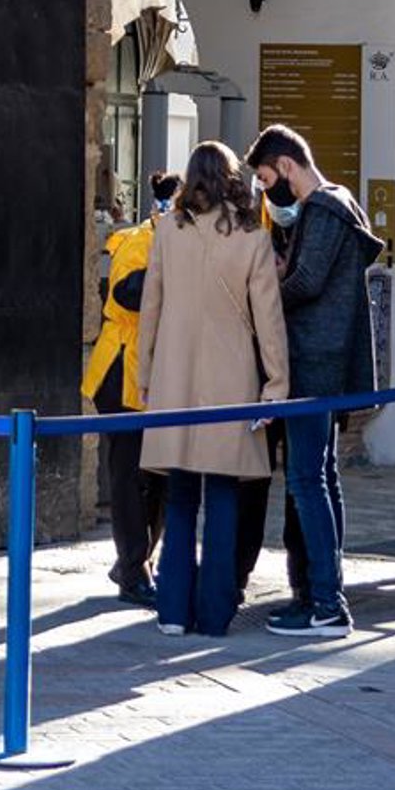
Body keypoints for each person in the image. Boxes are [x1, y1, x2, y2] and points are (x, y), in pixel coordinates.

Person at [134, 140, 289, 640]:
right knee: (223, 498)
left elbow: (151, 307)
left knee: (180, 498)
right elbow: (269, 320)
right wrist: (277, 383)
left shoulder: (167, 231)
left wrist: (144, 375)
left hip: (173, 377)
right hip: (232, 380)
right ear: (230, 177)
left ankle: (173, 611)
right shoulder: (252, 236)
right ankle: (216, 613)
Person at [248, 121, 384, 638]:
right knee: (322, 477)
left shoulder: (323, 208)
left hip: (313, 363)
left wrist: (265, 297)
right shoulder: (339, 203)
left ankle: (325, 602)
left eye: (266, 180)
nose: (268, 193)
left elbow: (307, 281)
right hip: (329, 362)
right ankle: (322, 595)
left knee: (308, 480)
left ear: (286, 165)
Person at [83, 176, 176, 603]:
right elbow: (125, 295)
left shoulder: (171, 243)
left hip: (154, 371)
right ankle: (133, 567)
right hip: (123, 369)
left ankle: (135, 562)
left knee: (157, 476)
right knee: (130, 475)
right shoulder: (140, 241)